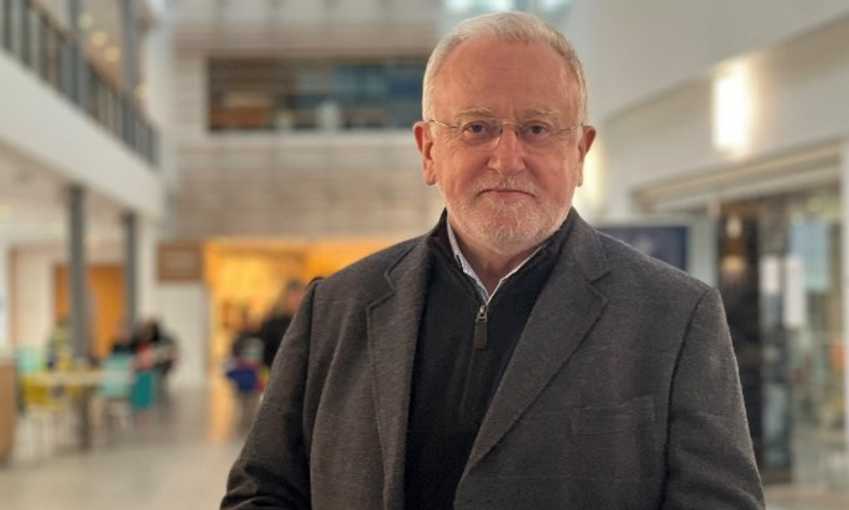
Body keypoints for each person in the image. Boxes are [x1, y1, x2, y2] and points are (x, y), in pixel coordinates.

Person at [222, 12, 764, 509]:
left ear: (579, 152)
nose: (507, 159)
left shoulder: (674, 316)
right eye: (477, 127)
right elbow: (263, 492)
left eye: (537, 128)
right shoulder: (335, 308)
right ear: (429, 150)